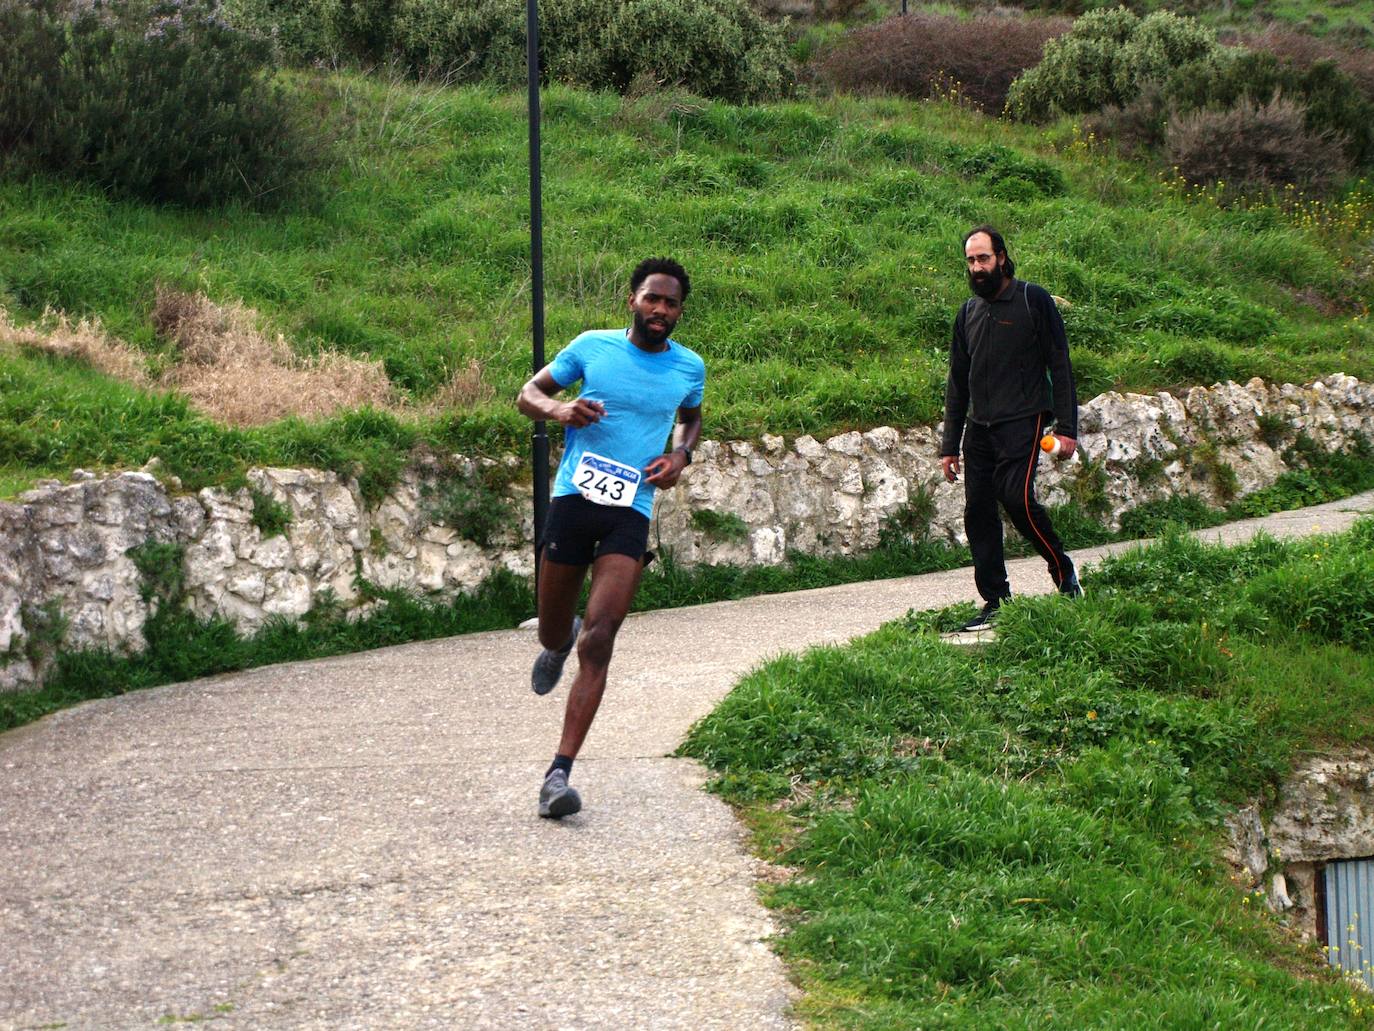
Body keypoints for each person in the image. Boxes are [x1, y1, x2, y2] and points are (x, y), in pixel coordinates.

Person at [516, 257, 705, 818]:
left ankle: (558, 775)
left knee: (599, 638)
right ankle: (556, 635)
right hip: (575, 500)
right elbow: (528, 393)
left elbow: (692, 418)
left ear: (679, 312)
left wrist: (681, 454)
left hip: (631, 507)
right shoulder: (593, 347)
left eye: (670, 304)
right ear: (633, 300)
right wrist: (561, 409)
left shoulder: (689, 367)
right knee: (557, 632)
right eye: (652, 299)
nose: (660, 310)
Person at [939, 224, 1082, 633]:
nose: (977, 267)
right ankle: (996, 601)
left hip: (1024, 418)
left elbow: (1060, 363)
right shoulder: (968, 312)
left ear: (1001, 257)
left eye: (983, 258)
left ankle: (1064, 574)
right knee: (978, 512)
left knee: (1016, 500)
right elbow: (957, 380)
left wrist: (1067, 426)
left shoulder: (1031, 299)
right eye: (970, 260)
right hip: (978, 427)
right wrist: (950, 445)